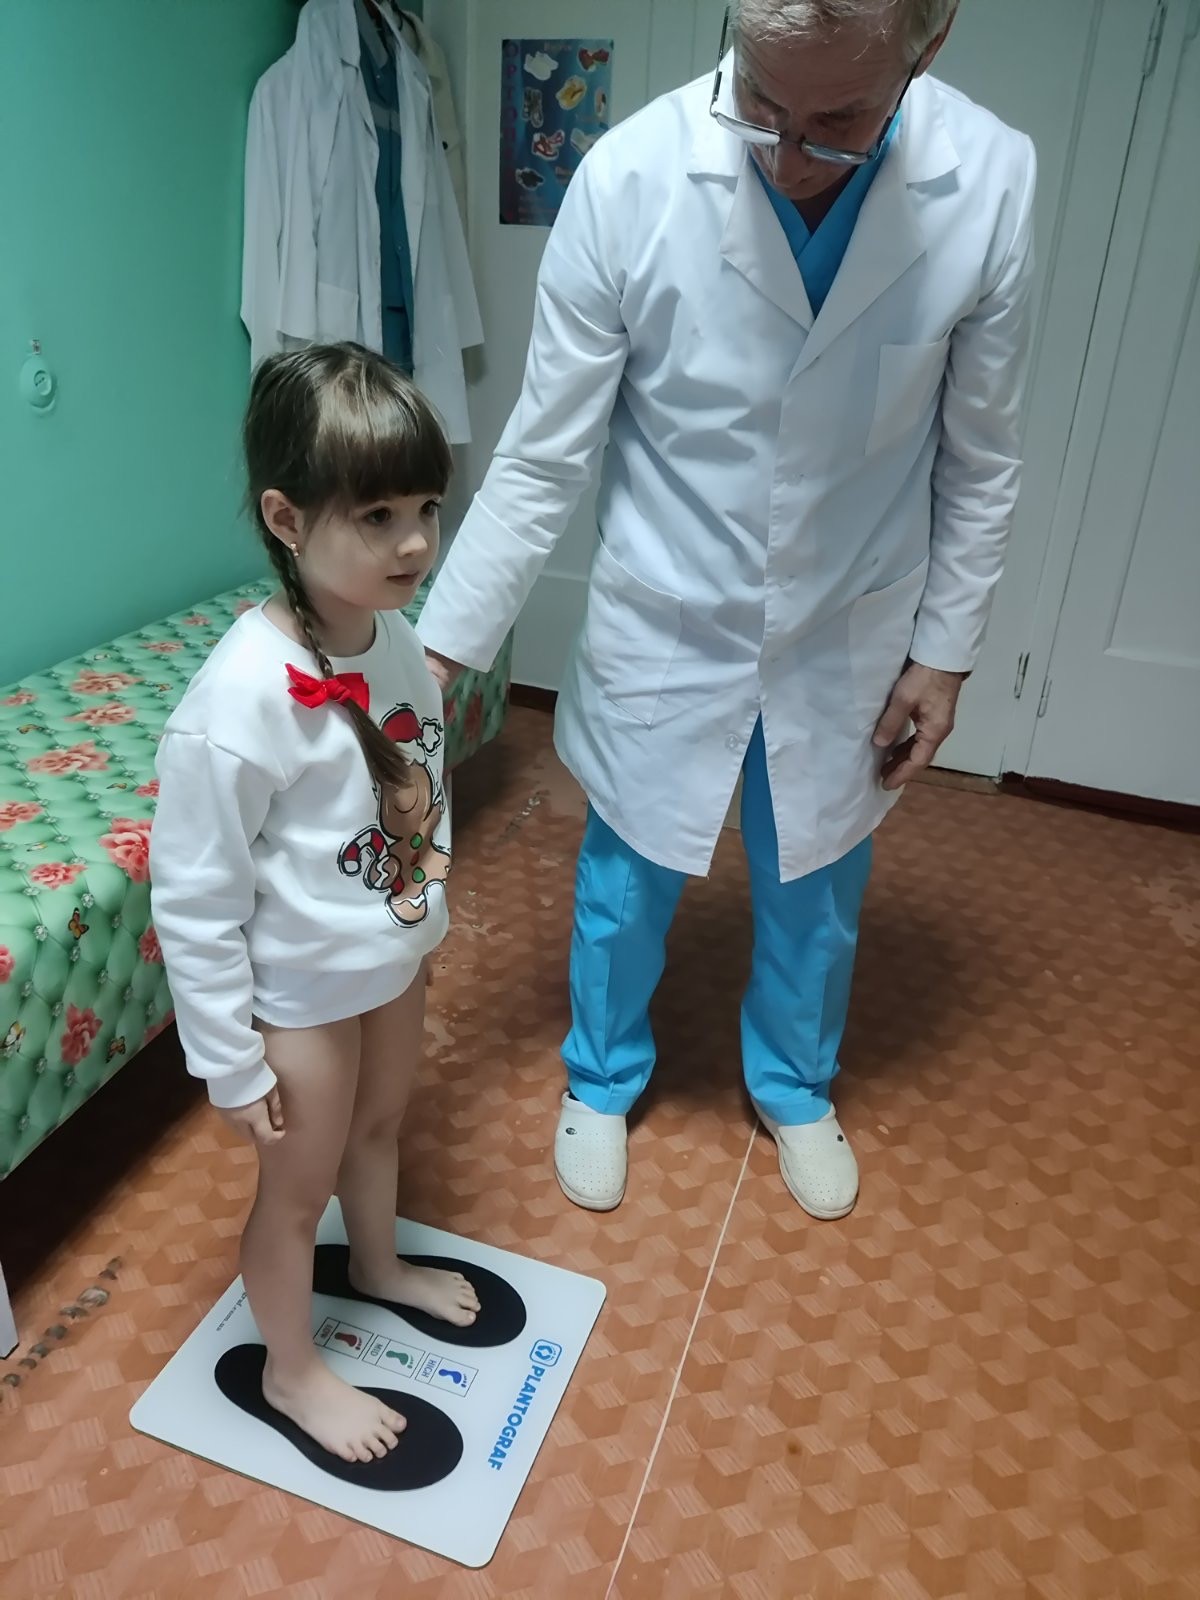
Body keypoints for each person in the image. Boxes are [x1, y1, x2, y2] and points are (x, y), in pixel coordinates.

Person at [418, 0, 1037, 1220]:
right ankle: (600, 1075)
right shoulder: (628, 180)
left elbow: (983, 455)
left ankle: (796, 1085)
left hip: (849, 615)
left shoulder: (991, 181)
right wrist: (434, 657)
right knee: (628, 872)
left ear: (930, 43)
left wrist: (946, 653)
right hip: (673, 604)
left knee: (820, 879)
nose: (792, 155)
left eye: (839, 120)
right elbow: (542, 457)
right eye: (760, 102)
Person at [150, 344, 480, 1465]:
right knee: (296, 1195)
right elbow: (194, 899)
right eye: (378, 515)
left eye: (426, 508)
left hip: (390, 957)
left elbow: (407, 791)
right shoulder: (238, 701)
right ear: (287, 519)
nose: (416, 543)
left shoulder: (395, 638)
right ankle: (289, 1371)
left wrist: (419, 920)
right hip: (298, 991)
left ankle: (377, 1264)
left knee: (381, 1129)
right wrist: (229, 1060)